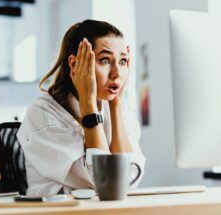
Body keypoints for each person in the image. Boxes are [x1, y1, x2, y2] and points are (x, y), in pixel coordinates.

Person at [17, 19, 145, 197]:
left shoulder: (118, 108)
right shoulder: (42, 114)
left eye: (123, 61)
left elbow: (130, 180)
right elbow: (105, 183)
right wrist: (88, 105)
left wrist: (115, 107)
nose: (117, 73)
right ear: (75, 64)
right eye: (105, 60)